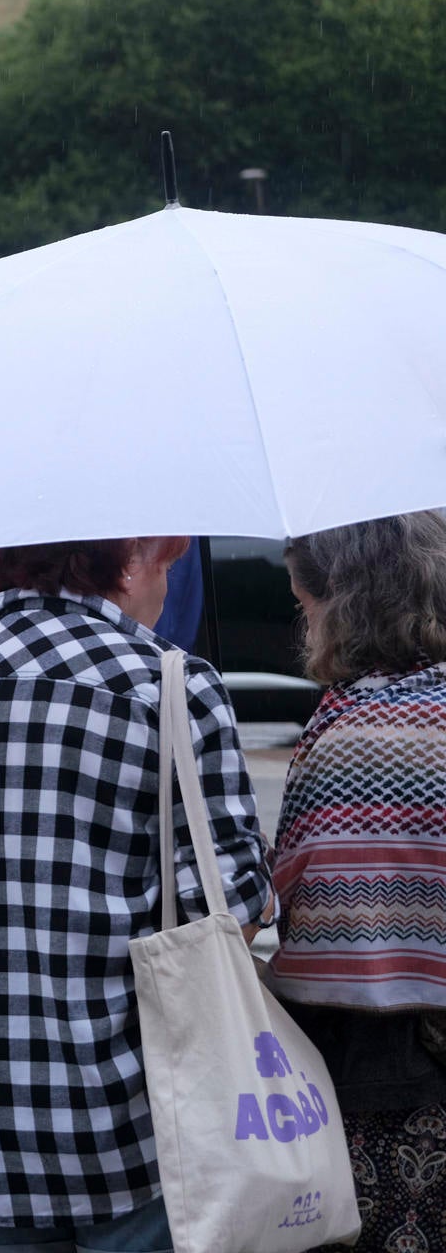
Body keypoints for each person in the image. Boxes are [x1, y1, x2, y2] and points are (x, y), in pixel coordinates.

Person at [0, 536, 272, 1251]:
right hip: (140, 1119)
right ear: (128, 561)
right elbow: (228, 910)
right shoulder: (171, 688)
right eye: (164, 564)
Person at [269, 513, 446, 1250]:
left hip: (383, 1068)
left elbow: (295, 903)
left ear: (340, 603)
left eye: (303, 604)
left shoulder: (343, 730)